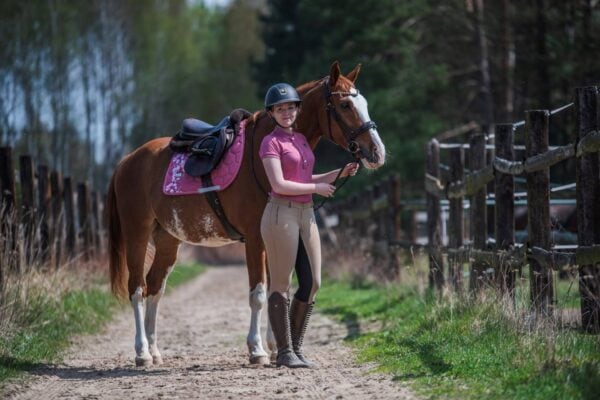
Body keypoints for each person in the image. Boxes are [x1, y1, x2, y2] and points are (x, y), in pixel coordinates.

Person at [259, 83, 358, 368]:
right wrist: (316, 187)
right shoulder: (270, 143)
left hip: (305, 213)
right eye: (280, 109)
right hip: (281, 214)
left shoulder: (300, 139)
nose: (286, 112)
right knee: (280, 284)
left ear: (298, 109)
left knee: (313, 282)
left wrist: (338, 173)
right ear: (272, 113)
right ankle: (284, 352)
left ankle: (295, 348)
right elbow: (278, 184)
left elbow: (306, 175)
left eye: (290, 107)